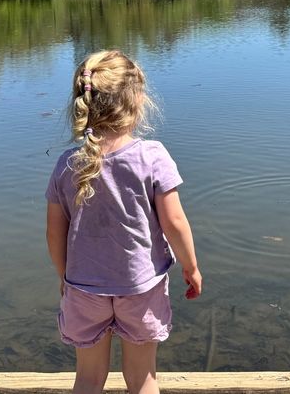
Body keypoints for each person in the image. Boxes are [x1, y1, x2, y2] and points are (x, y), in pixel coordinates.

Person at [46, 49, 202, 394]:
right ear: (137, 101)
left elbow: (54, 233)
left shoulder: (66, 164)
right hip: (140, 287)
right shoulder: (152, 157)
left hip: (83, 287)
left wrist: (64, 277)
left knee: (87, 378)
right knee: (142, 377)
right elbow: (175, 221)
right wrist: (191, 267)